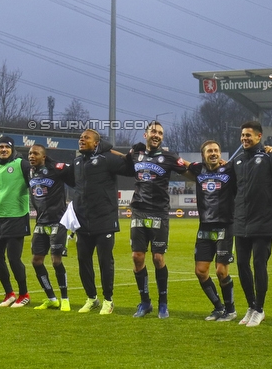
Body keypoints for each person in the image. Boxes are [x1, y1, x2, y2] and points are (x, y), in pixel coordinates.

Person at [126, 121, 188, 319]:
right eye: (153, 131)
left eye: (160, 133)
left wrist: (210, 166)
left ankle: (163, 303)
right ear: (145, 135)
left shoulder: (168, 157)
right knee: (137, 257)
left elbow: (186, 167)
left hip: (159, 213)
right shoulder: (136, 154)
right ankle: (145, 303)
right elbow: (120, 160)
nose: (157, 135)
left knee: (158, 258)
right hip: (138, 211)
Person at [64, 129, 127, 315]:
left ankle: (108, 300)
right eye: (80, 138)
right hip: (83, 220)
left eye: (86, 138)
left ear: (97, 142)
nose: (82, 140)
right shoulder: (76, 162)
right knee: (83, 260)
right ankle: (92, 298)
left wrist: (108, 149)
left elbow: (129, 166)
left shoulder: (107, 159)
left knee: (104, 261)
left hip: (104, 219)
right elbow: (68, 180)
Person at [232, 120, 272, 327]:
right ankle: (251, 306)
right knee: (241, 264)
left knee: (258, 264)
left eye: (249, 135)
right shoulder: (237, 161)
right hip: (241, 221)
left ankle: (260, 309)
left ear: (259, 136)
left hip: (264, 221)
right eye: (243, 135)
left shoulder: (270, 157)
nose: (245, 138)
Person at [185, 140, 237, 322]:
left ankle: (231, 310)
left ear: (220, 154)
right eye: (209, 151)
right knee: (200, 271)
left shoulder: (230, 170)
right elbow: (182, 164)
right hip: (205, 226)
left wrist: (267, 150)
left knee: (222, 271)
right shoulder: (198, 170)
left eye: (216, 150)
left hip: (225, 225)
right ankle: (218, 307)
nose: (213, 153)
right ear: (203, 155)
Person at [0, 136, 33, 308]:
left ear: (12, 149)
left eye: (7, 147)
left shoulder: (21, 164)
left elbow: (34, 181)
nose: (4, 150)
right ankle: (9, 293)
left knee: (14, 259)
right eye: (1, 147)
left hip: (17, 216)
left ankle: (24, 293)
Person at [27, 144, 72, 311]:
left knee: (55, 260)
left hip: (57, 221)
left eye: (36, 153)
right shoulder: (29, 172)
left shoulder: (56, 169)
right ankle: (52, 298)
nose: (32, 156)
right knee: (36, 261)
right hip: (40, 222)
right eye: (30, 153)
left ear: (44, 157)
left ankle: (65, 298)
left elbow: (73, 172)